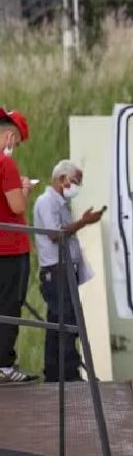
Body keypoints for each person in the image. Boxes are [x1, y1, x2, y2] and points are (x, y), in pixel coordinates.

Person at [33, 160, 103, 382]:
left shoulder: (61, 204)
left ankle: (54, 373)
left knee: (57, 322)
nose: (75, 187)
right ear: (61, 179)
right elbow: (55, 234)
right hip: (56, 270)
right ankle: (68, 373)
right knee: (67, 321)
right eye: (74, 182)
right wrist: (83, 222)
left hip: (66, 269)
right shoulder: (47, 202)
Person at [0, 108, 38, 384]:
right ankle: (4, 364)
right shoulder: (7, 164)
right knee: (9, 306)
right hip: (11, 248)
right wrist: (25, 188)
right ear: (10, 136)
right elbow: (16, 206)